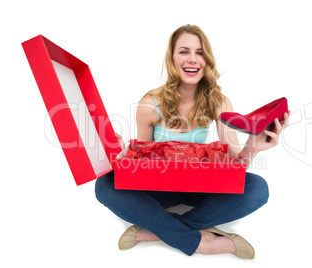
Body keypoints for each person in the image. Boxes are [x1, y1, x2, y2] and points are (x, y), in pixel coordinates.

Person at [95, 24, 289, 259]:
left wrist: (253, 147)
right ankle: (203, 242)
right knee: (104, 185)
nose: (192, 59)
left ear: (207, 60)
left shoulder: (219, 102)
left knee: (257, 189)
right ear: (172, 58)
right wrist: (122, 153)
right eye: (184, 51)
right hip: (159, 188)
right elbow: (142, 161)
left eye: (199, 52)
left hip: (201, 185)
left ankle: (155, 231)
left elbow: (238, 167)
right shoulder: (149, 104)